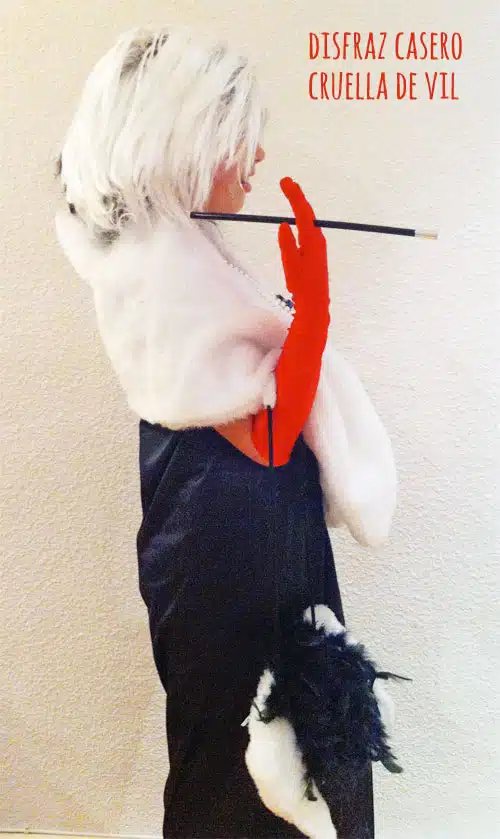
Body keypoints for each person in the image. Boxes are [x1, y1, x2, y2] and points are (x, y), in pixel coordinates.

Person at [54, 24, 398, 839]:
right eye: (239, 135)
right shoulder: (165, 273)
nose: (257, 156)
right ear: (183, 140)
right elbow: (269, 438)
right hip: (229, 548)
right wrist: (311, 312)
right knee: (252, 763)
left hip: (230, 537)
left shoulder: (169, 257)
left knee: (263, 752)